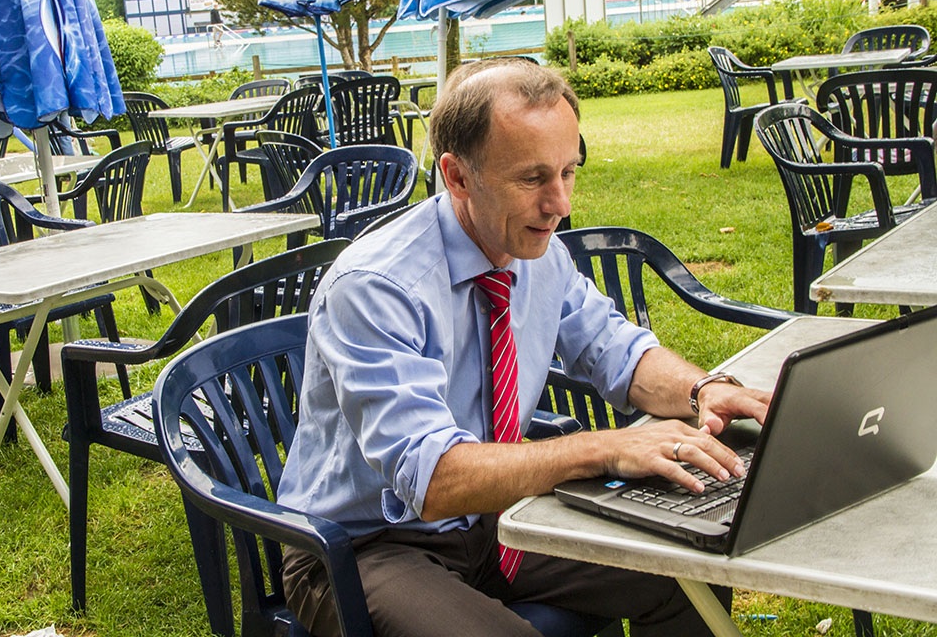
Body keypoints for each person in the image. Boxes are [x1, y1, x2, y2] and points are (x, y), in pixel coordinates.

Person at [276, 58, 773, 637]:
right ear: (458, 177)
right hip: (363, 546)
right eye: (533, 179)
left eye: (568, 171)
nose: (560, 203)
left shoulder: (538, 252)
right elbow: (434, 480)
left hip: (495, 516)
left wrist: (700, 390)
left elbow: (617, 350)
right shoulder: (376, 288)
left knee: (683, 571)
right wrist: (603, 449)